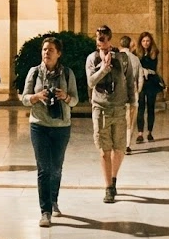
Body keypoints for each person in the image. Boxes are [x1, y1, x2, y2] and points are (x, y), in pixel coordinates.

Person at [22, 36, 77, 227]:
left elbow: (76, 100)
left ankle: (53, 199)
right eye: (44, 49)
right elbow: (24, 98)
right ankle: (45, 211)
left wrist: (66, 97)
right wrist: (36, 97)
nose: (46, 52)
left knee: (56, 167)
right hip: (39, 125)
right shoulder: (35, 72)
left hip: (61, 126)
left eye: (51, 50)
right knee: (44, 168)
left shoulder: (68, 74)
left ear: (58, 53)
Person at [86, 25, 137, 204]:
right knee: (104, 150)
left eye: (104, 38)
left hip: (119, 106)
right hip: (100, 108)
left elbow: (130, 80)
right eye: (99, 38)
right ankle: (108, 187)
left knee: (119, 147)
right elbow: (91, 81)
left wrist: (133, 102)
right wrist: (104, 68)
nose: (102, 42)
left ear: (110, 39)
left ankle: (114, 179)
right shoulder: (92, 59)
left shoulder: (122, 58)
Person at [135, 32, 162, 144]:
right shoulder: (136, 53)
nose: (146, 43)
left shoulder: (154, 52)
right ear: (141, 42)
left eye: (148, 41)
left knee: (151, 107)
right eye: (144, 41)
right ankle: (140, 133)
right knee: (140, 107)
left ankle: (150, 132)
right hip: (141, 82)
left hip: (151, 82)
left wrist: (148, 71)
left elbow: (154, 68)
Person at [118, 36, 142, 155]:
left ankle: (119, 144)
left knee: (119, 119)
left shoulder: (114, 57)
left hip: (117, 95)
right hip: (132, 94)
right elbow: (140, 78)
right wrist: (137, 91)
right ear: (130, 45)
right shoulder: (135, 59)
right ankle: (127, 145)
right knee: (130, 120)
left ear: (120, 45)